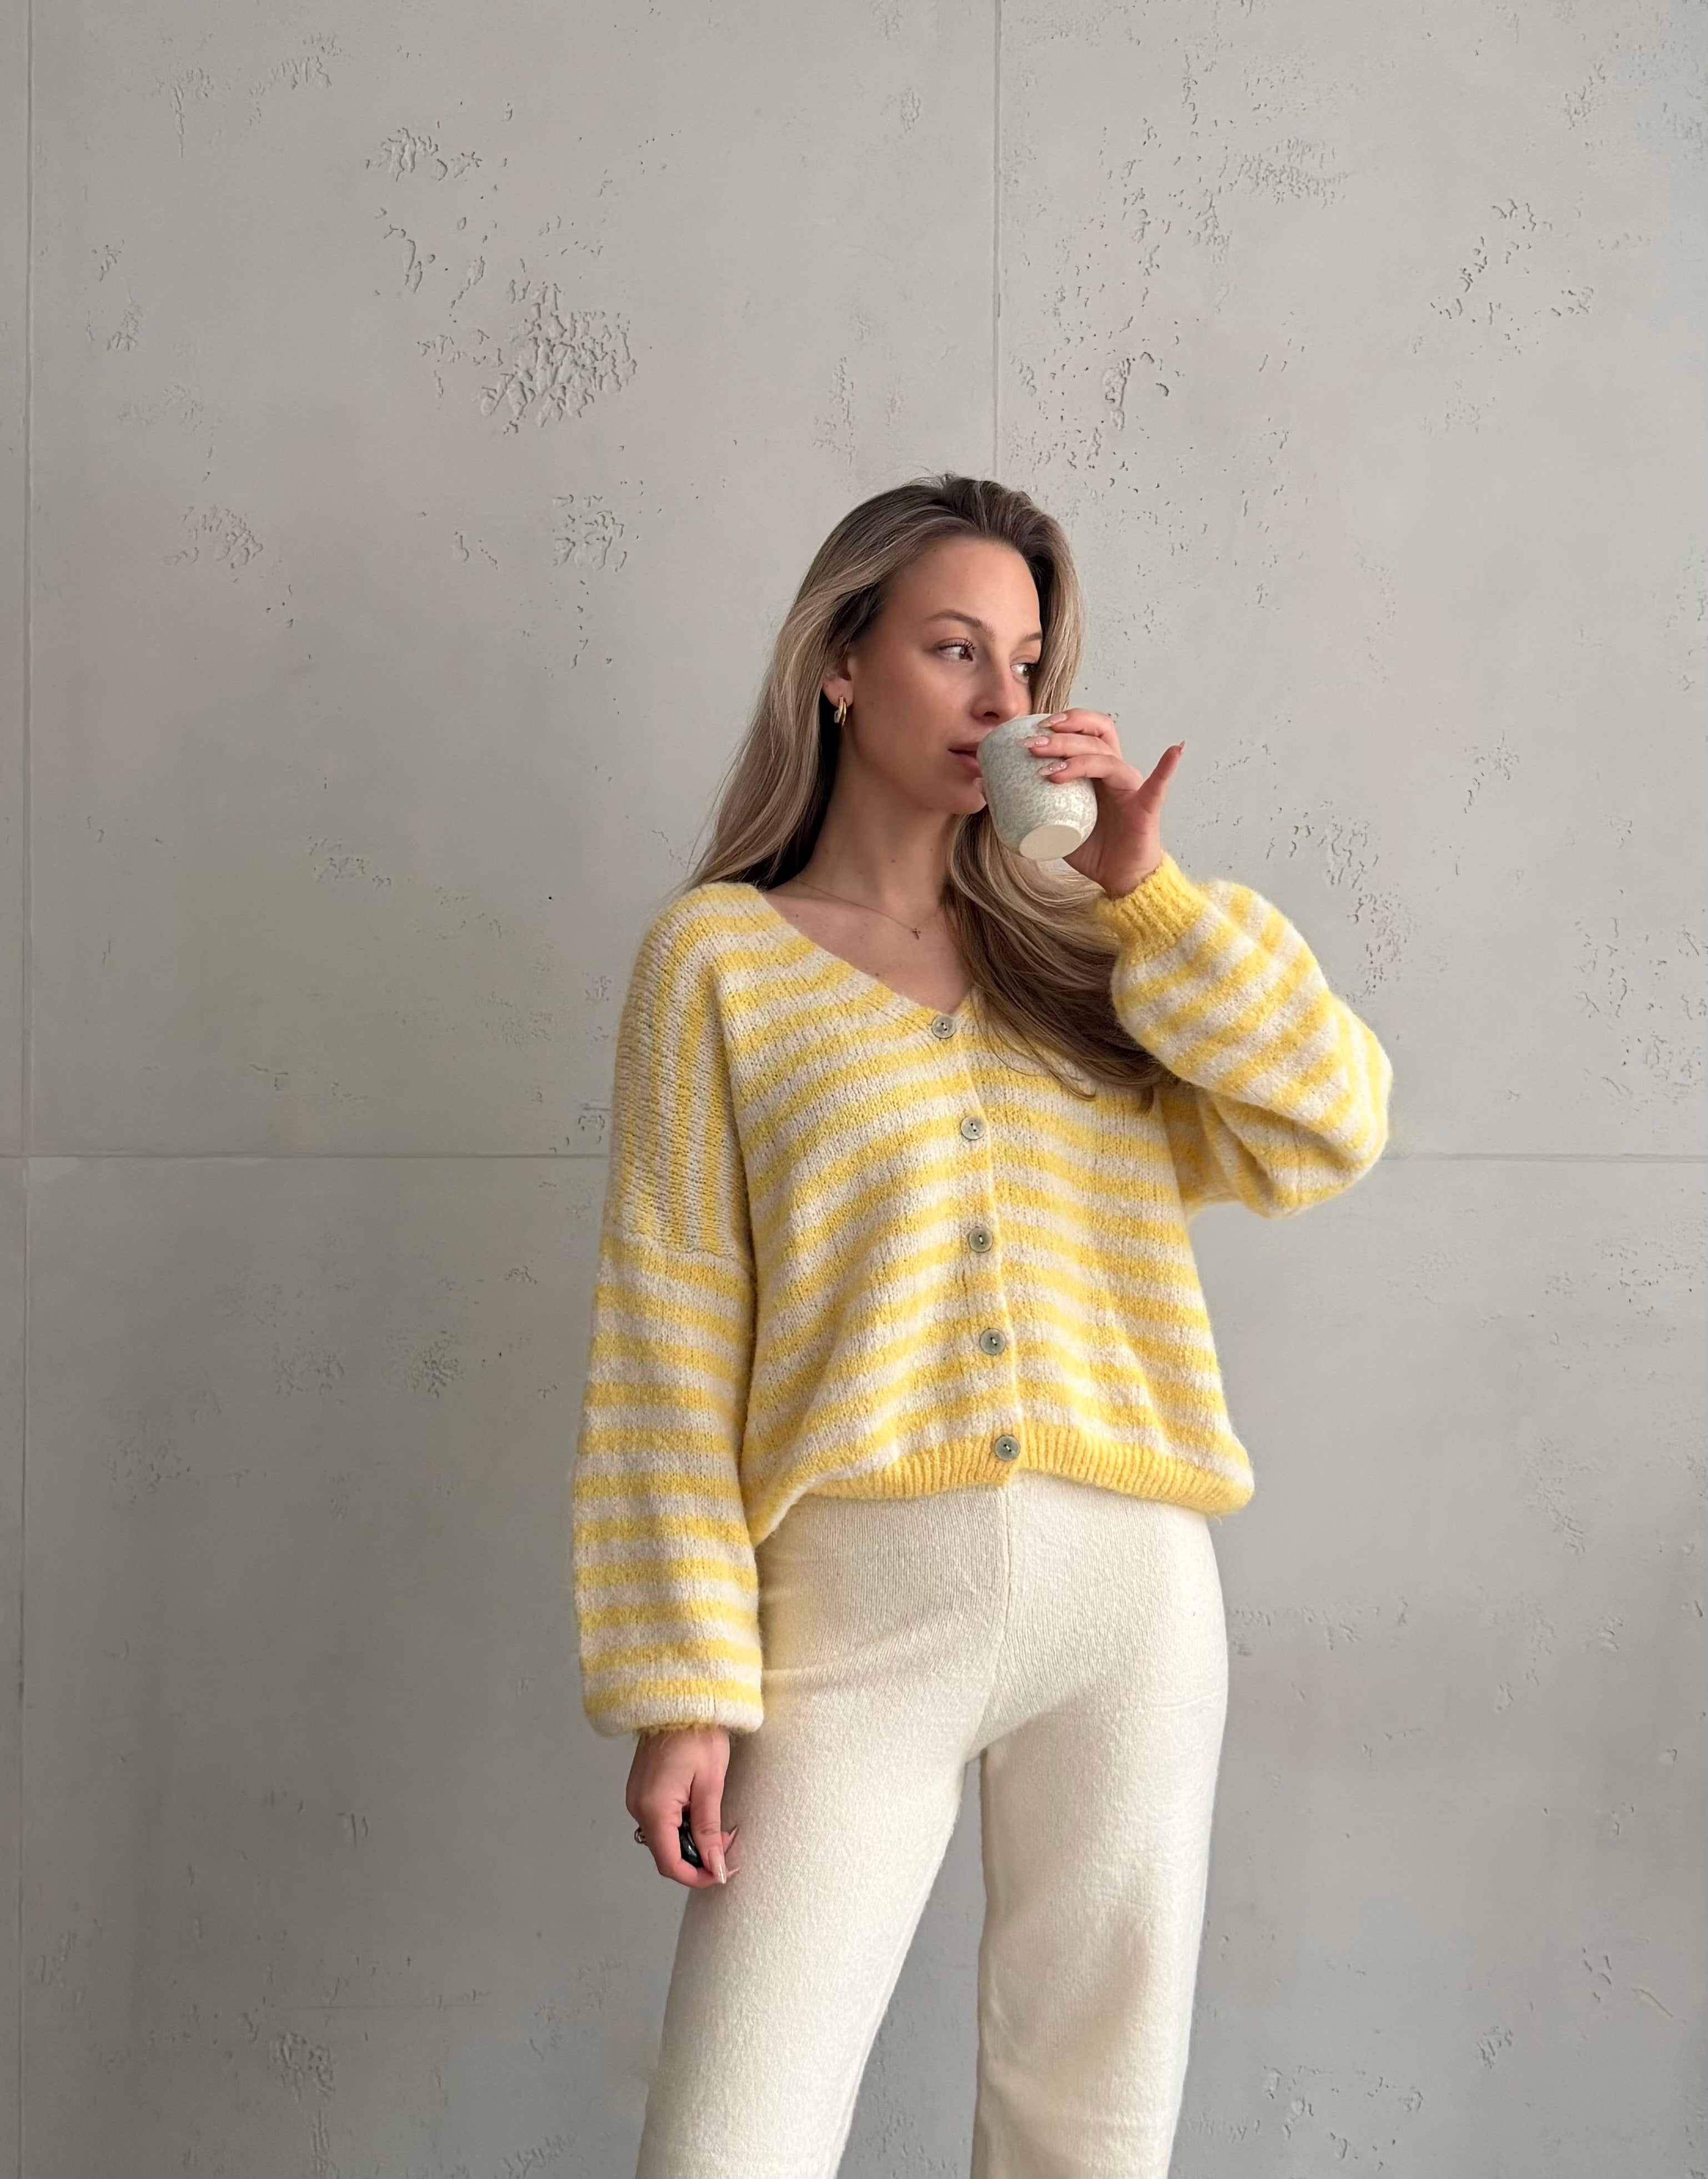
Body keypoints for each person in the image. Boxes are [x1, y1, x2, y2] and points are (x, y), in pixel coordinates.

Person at [570, 471, 1393, 2178]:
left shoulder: (1097, 958)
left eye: (1027, 663)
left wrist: (1142, 894)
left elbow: (1334, 1122)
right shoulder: (718, 962)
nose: (1001, 700)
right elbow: (669, 1332)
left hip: (1132, 1599)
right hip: (857, 1610)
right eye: (954, 650)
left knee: (1091, 2130)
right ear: (840, 665)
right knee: (731, 2142)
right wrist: (681, 1685)